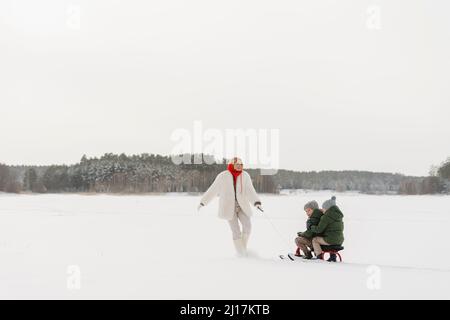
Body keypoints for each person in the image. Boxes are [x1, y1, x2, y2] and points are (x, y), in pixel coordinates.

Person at [197, 157, 263, 256]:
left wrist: (256, 202)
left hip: (242, 206)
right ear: (232, 165)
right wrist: (203, 202)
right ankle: (241, 254)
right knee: (236, 230)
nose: (239, 166)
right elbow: (213, 189)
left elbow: (250, 190)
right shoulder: (223, 176)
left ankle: (242, 251)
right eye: (237, 164)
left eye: (241, 165)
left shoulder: (245, 176)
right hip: (228, 208)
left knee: (247, 226)